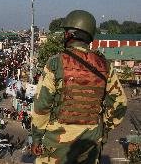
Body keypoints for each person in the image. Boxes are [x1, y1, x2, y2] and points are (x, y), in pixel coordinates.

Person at [31, 10, 127, 164]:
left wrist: (36, 137)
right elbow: (120, 104)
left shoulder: (56, 63)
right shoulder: (105, 65)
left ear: (70, 35)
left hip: (58, 142)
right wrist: (103, 128)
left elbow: (41, 105)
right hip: (90, 142)